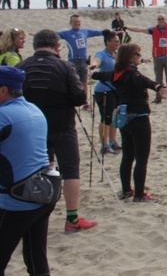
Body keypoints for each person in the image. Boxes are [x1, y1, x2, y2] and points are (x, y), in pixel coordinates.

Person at [0, 66, 58, 276]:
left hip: (15, 201)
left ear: (3, 91)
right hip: (43, 193)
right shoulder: (34, 110)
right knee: (36, 262)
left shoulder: (4, 116)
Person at [18, 29, 96, 232]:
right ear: (57, 46)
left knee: (36, 170)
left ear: (35, 45)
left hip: (32, 126)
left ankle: (34, 213)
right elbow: (79, 98)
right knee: (70, 170)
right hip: (62, 126)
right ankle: (72, 219)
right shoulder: (64, 66)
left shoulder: (22, 66)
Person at [92, 43, 167, 202]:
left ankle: (126, 190)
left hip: (124, 120)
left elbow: (101, 75)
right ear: (128, 57)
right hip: (139, 119)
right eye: (137, 54)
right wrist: (159, 87)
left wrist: (92, 72)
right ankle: (140, 195)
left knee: (127, 156)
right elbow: (145, 81)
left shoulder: (117, 73)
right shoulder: (132, 74)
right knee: (141, 158)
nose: (139, 57)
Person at [56, 14, 106, 110]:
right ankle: (72, 99)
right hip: (73, 60)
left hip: (84, 60)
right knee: (73, 81)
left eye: (78, 21)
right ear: (71, 23)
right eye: (75, 22)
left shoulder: (85, 31)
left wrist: (109, 32)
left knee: (84, 81)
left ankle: (85, 102)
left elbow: (97, 32)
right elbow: (52, 34)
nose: (77, 23)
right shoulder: (67, 33)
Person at [90, 30, 122, 156]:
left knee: (115, 116)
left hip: (116, 89)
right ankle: (105, 145)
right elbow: (96, 61)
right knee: (106, 118)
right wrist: (93, 65)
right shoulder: (102, 54)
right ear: (107, 42)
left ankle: (113, 141)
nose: (118, 43)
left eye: (118, 41)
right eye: (115, 41)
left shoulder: (117, 54)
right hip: (104, 90)